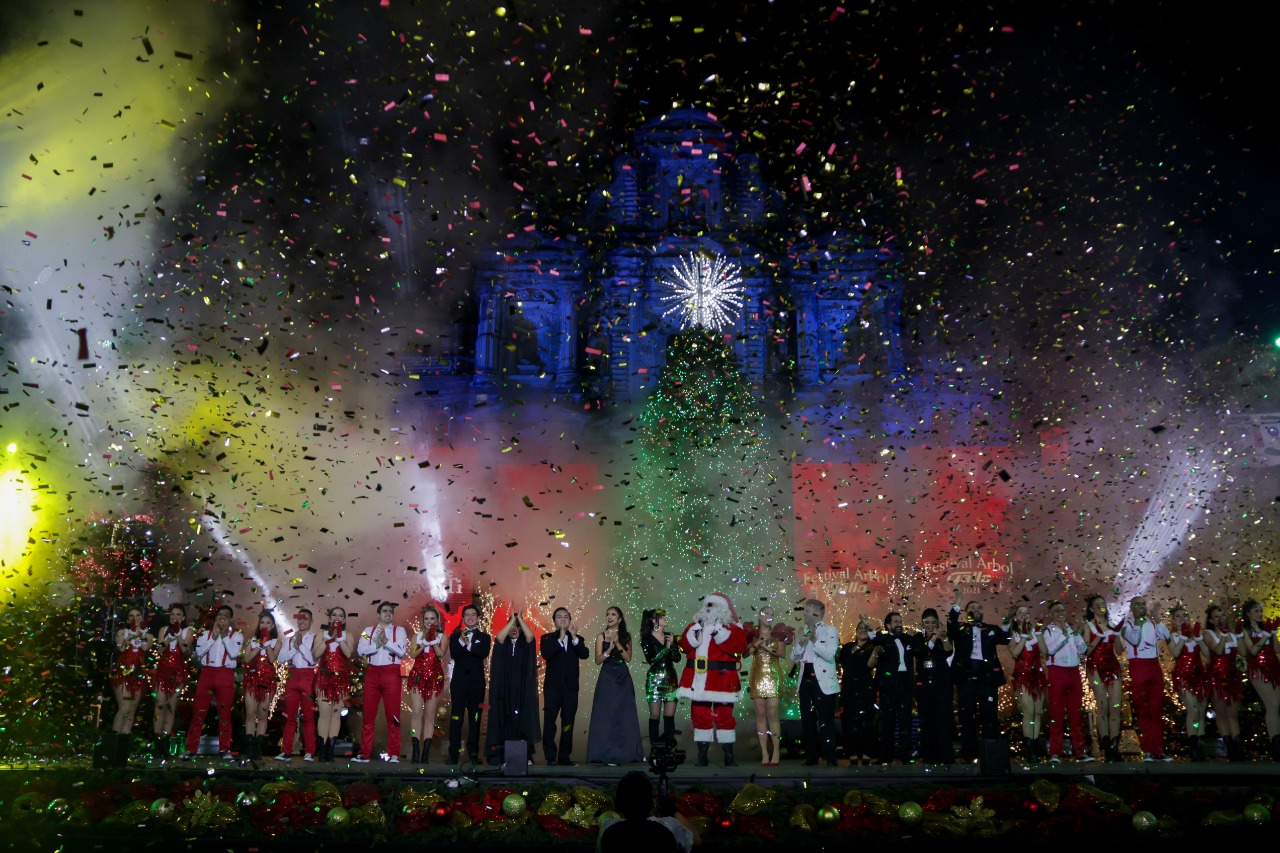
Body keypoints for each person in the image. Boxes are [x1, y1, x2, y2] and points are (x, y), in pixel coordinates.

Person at [677, 593, 749, 767]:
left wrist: (719, 632)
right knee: (700, 716)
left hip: (722, 681)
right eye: (707, 605)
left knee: (724, 716)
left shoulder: (732, 629)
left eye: (713, 605)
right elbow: (683, 647)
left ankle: (729, 755)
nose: (709, 608)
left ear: (723, 608)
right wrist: (694, 633)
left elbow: (739, 647)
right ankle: (702, 755)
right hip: (698, 680)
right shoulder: (694, 626)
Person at [947, 589, 1011, 762]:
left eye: (979, 608)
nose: (976, 610)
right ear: (967, 612)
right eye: (972, 608)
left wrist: (1007, 620)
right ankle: (968, 755)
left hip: (987, 679)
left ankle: (990, 756)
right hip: (966, 679)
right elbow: (950, 624)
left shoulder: (991, 629)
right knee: (967, 717)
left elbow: (1005, 638)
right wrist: (958, 601)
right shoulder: (960, 628)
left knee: (990, 716)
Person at [587, 606, 646, 764]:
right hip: (607, 677)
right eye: (607, 614)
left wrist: (617, 642)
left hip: (622, 677)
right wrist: (609, 650)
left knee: (624, 714)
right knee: (605, 714)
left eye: (613, 614)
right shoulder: (601, 636)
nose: (609, 617)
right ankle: (603, 754)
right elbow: (598, 660)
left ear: (619, 619)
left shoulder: (626, 636)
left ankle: (626, 753)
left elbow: (628, 658)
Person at [184, 604, 244, 759]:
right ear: (216, 618)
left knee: (225, 714)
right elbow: (199, 653)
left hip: (225, 675)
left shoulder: (237, 636)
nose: (222, 618)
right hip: (207, 674)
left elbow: (234, 654)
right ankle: (191, 749)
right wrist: (213, 638)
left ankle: (224, 749)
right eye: (220, 615)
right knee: (198, 713)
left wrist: (224, 636)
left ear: (230, 620)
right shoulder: (205, 634)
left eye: (226, 616)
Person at [486, 605, 541, 766]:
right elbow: (499, 638)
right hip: (503, 690)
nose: (514, 629)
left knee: (522, 719)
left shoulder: (525, 645)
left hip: (521, 690)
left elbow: (531, 636)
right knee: (503, 718)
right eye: (511, 626)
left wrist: (519, 619)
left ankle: (524, 755)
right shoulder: (503, 645)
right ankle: (500, 754)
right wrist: (511, 619)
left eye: (517, 626)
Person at [1119, 595, 1172, 762]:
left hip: (1154, 666)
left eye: (1143, 604)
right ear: (1131, 608)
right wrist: (1139, 623)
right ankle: (1147, 750)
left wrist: (1157, 618)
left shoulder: (1152, 622)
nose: (1142, 607)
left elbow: (1166, 636)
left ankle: (1158, 750)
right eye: (1138, 605)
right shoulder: (1127, 625)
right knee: (1143, 709)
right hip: (1138, 666)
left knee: (1156, 709)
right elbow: (1134, 640)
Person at [354, 601, 408, 763]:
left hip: (391, 673)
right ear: (378, 614)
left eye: (390, 611)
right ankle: (364, 753)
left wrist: (386, 642)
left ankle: (394, 754)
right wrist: (376, 645)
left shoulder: (400, 631)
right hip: (372, 673)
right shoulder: (367, 631)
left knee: (393, 716)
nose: (388, 613)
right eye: (384, 611)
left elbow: (401, 651)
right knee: (368, 715)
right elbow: (360, 650)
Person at [1039, 600, 1090, 765]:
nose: (1060, 613)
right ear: (1051, 614)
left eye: (1062, 610)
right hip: (1057, 672)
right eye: (1056, 611)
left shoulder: (1070, 629)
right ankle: (1055, 752)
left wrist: (1076, 635)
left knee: (1076, 713)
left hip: (1074, 672)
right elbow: (1050, 651)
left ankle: (1080, 751)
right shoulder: (1047, 631)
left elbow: (1083, 649)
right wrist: (1065, 635)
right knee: (1057, 714)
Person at [790, 599, 839, 766]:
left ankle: (830, 756)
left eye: (807, 610)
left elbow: (830, 655)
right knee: (807, 720)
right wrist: (800, 643)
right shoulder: (803, 631)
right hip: (806, 679)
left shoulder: (830, 630)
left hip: (823, 680)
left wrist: (813, 640)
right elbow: (794, 657)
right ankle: (812, 756)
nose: (804, 613)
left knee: (825, 719)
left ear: (817, 612)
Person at [542, 606, 590, 765]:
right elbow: (546, 654)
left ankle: (564, 756)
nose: (563, 619)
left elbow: (585, 654)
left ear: (570, 620)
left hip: (570, 688)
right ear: (554, 621)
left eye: (566, 617)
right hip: (552, 687)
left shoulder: (578, 639)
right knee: (550, 722)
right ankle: (550, 756)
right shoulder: (547, 638)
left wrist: (574, 636)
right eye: (559, 617)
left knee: (568, 722)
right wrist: (560, 639)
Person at [106, 606, 153, 766]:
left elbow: (145, 647)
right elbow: (120, 647)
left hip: (138, 674)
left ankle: (122, 749)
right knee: (124, 707)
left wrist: (141, 634)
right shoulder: (123, 632)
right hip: (123, 672)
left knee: (131, 710)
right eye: (132, 616)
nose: (135, 618)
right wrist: (128, 637)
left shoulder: (148, 634)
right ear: (128, 619)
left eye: (138, 615)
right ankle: (112, 745)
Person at [276, 608, 323, 762]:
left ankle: (309, 751)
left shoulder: (315, 638)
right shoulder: (289, 639)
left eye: (305, 618)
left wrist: (300, 645)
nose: (302, 621)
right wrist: (295, 648)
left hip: (308, 677)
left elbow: (313, 660)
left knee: (308, 717)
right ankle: (286, 751)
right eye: (300, 618)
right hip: (292, 676)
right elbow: (281, 659)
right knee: (290, 716)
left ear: (311, 621)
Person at [746, 606, 791, 766]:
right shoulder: (753, 634)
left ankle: (776, 750)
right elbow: (744, 654)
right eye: (766, 613)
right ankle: (764, 752)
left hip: (773, 675)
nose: (769, 616)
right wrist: (756, 644)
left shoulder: (778, 633)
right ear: (760, 615)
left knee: (773, 713)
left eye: (772, 613)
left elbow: (782, 654)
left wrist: (766, 647)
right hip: (757, 675)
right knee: (761, 716)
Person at [448, 603, 492, 763]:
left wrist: (469, 644)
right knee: (456, 717)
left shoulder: (484, 637)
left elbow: (483, 653)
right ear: (463, 618)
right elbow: (454, 654)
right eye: (467, 615)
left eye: (473, 615)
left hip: (476, 684)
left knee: (475, 718)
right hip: (459, 684)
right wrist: (462, 641)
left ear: (478, 618)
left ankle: (473, 753)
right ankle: (453, 754)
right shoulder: (455, 636)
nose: (470, 617)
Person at [597, 771, 681, 853]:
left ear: (619, 803)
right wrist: (673, 810)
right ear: (651, 802)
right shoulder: (669, 827)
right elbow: (690, 838)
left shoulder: (608, 829)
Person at [871, 611, 915, 764]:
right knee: (887, 722)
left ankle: (906, 756)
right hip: (888, 686)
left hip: (904, 685)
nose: (899, 624)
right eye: (895, 622)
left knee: (905, 722)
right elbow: (874, 638)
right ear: (888, 625)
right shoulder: (883, 640)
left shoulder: (907, 639)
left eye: (900, 621)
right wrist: (869, 627)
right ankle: (885, 756)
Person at [1082, 594, 1123, 762]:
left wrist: (1117, 634)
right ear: (1092, 609)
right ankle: (1105, 743)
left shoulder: (1111, 625)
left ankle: (1114, 745)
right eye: (1097, 604)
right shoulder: (1089, 626)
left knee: (1115, 706)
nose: (1101, 606)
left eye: (1103, 603)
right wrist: (1099, 636)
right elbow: (1085, 651)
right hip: (1095, 668)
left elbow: (1119, 651)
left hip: (1113, 667)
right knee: (1102, 705)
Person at [406, 603, 447, 764]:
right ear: (423, 621)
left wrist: (433, 641)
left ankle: (426, 753)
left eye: (432, 619)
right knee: (416, 711)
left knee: (430, 714)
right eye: (427, 619)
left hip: (434, 677)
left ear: (437, 621)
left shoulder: (443, 637)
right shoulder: (416, 636)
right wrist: (423, 642)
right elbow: (412, 654)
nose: (429, 621)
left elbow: (441, 655)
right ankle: (416, 749)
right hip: (417, 676)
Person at [1201, 603, 1243, 761]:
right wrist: (1223, 636)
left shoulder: (1233, 635)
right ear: (1211, 620)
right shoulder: (1208, 634)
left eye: (1223, 615)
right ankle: (1229, 746)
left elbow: (1241, 653)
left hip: (1233, 677)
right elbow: (1218, 651)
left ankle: (1238, 746)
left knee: (1233, 714)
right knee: (1221, 713)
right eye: (1217, 617)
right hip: (1217, 677)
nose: (1221, 619)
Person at [913, 607, 954, 764]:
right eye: (927, 622)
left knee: (943, 718)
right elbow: (920, 652)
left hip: (941, 682)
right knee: (926, 719)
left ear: (937, 622)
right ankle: (929, 756)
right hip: (924, 683)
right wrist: (932, 638)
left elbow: (948, 651)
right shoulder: (917, 638)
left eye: (933, 622)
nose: (930, 625)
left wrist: (942, 637)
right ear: (922, 623)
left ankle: (946, 756)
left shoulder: (942, 636)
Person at [1006, 603, 1047, 761]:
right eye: (1021, 613)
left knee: (1038, 712)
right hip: (1023, 676)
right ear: (1015, 617)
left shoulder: (1035, 632)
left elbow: (1045, 651)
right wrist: (1023, 636)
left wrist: (1039, 633)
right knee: (1029, 712)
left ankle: (1035, 746)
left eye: (1027, 612)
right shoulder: (1012, 634)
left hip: (1038, 676)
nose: (1024, 615)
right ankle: (1029, 749)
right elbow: (1015, 653)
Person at [1240, 599, 1280, 760]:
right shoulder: (1245, 630)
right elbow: (1252, 650)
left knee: (1276, 706)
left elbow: (1277, 649)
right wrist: (1265, 636)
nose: (1260, 613)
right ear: (1248, 613)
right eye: (1256, 611)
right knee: (1272, 704)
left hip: (1274, 668)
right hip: (1257, 669)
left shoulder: (1265, 628)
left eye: (1260, 610)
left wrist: (1273, 633)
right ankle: (1276, 744)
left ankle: (1277, 742)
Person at [837, 618, 880, 765]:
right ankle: (852, 754)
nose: (863, 631)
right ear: (856, 631)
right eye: (860, 628)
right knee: (849, 722)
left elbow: (870, 665)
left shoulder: (872, 648)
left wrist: (875, 653)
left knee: (866, 722)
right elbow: (842, 662)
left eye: (866, 629)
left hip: (865, 688)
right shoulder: (847, 647)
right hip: (848, 689)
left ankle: (867, 754)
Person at [1168, 605, 1208, 761]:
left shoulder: (1195, 634)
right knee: (1193, 708)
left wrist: (1198, 637)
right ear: (1173, 620)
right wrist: (1183, 637)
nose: (1182, 619)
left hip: (1199, 676)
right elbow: (1175, 652)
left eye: (1184, 616)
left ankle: (1200, 744)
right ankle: (1193, 745)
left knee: (1201, 710)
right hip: (1183, 677)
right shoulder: (1171, 635)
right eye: (1178, 616)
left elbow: (1207, 654)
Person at [152, 603, 191, 762]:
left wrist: (178, 633)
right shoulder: (163, 630)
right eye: (172, 614)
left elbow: (185, 650)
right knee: (159, 705)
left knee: (170, 707)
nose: (175, 617)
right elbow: (160, 649)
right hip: (163, 671)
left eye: (178, 614)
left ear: (183, 617)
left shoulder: (188, 631)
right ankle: (157, 742)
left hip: (178, 673)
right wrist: (169, 636)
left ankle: (166, 742)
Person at [315, 606, 355, 762]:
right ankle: (322, 750)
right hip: (324, 679)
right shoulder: (321, 635)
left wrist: (339, 639)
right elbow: (315, 654)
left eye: (340, 616)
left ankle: (330, 750)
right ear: (329, 618)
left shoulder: (348, 635)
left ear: (344, 620)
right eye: (334, 615)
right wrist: (328, 639)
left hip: (340, 680)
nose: (337, 618)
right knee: (324, 714)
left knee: (335, 715)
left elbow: (348, 653)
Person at [640, 608, 681, 751]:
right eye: (662, 616)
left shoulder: (670, 636)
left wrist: (673, 645)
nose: (665, 618)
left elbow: (677, 658)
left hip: (670, 680)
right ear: (654, 620)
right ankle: (655, 748)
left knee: (669, 716)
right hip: (655, 680)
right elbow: (652, 659)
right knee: (655, 715)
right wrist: (667, 646)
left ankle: (668, 747)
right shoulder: (647, 639)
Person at [242, 610, 281, 761]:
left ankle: (258, 748)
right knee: (250, 713)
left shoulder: (276, 642)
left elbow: (272, 659)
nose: (265, 625)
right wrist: (259, 646)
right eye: (262, 622)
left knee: (263, 714)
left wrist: (267, 643)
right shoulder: (251, 641)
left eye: (268, 623)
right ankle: (249, 746)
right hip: (252, 680)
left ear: (272, 626)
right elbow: (247, 659)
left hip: (267, 682)